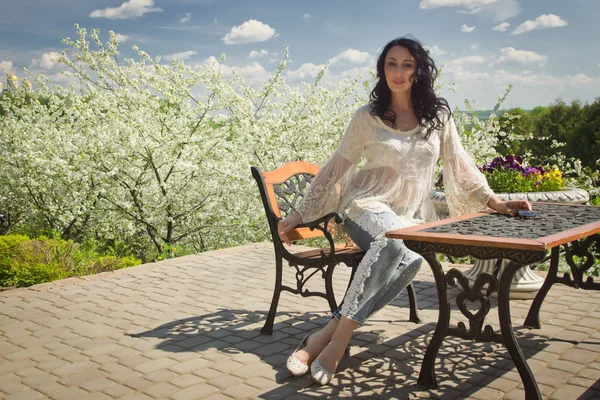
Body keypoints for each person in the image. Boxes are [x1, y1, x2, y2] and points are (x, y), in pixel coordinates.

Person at [277, 36, 532, 385]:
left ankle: (324, 334)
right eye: (391, 63)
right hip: (364, 205)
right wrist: (301, 213)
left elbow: (459, 165)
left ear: (418, 71)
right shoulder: (366, 118)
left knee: (411, 261)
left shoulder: (438, 117)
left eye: (407, 64)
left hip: (409, 214)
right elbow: (337, 167)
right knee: (392, 241)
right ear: (382, 70)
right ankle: (338, 343)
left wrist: (495, 202)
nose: (398, 71)